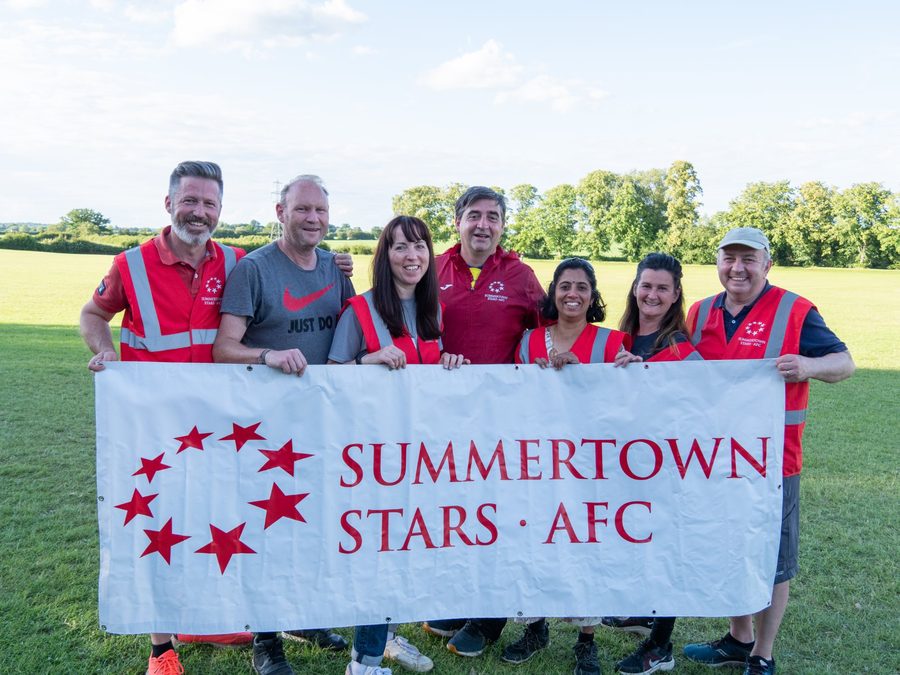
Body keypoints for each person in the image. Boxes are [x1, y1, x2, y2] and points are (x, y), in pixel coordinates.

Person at [79, 160, 253, 675]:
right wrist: (104, 351)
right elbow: (93, 314)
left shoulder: (238, 262)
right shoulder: (130, 265)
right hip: (152, 426)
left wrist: (336, 264)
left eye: (209, 203)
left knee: (214, 516)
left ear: (220, 209)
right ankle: (161, 647)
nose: (199, 212)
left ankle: (203, 620)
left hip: (218, 425)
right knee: (157, 526)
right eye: (190, 201)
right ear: (169, 203)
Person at [681, 227, 854, 675]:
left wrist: (809, 365)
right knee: (728, 547)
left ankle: (762, 652)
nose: (737, 268)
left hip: (775, 461)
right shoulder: (699, 312)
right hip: (713, 459)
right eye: (729, 258)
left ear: (767, 264)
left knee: (773, 559)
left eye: (748, 259)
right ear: (718, 263)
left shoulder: (795, 311)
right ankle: (738, 638)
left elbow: (844, 363)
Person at [212, 174, 354, 675]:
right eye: (302, 209)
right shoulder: (254, 269)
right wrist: (266, 355)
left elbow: (355, 328)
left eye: (320, 210)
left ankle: (305, 617)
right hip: (268, 428)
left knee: (314, 524)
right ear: (281, 212)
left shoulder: (335, 268)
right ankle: (265, 638)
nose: (313, 219)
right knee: (269, 527)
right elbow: (223, 348)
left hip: (322, 423)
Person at [329, 215, 467, 674]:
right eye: (401, 247)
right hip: (372, 456)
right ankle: (364, 662)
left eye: (420, 246)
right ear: (384, 256)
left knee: (405, 551)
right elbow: (330, 380)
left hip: (419, 455)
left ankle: (385, 637)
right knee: (379, 555)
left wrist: (448, 361)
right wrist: (368, 360)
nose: (412, 256)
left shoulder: (432, 311)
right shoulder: (360, 310)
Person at [422, 186, 545, 657]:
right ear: (457, 221)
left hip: (502, 420)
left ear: (502, 225)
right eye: (474, 215)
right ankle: (465, 600)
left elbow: (550, 332)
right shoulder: (432, 268)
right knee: (457, 512)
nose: (483, 225)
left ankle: (492, 619)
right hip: (443, 418)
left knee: (500, 514)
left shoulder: (520, 275)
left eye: (493, 216)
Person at [503, 257, 628, 675]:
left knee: (587, 546)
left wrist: (589, 376)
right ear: (553, 293)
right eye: (565, 286)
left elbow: (624, 404)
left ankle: (586, 640)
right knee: (534, 540)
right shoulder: (529, 342)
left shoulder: (612, 343)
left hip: (590, 465)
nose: (572, 294)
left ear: (593, 296)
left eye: (581, 287)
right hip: (538, 462)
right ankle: (534, 627)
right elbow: (514, 398)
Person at [601, 252, 701, 674]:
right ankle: (643, 611)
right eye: (646, 285)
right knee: (636, 539)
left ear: (676, 294)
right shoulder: (620, 338)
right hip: (626, 462)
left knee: (665, 548)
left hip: (664, 465)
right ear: (635, 287)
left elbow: (705, 395)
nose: (653, 295)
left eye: (663, 288)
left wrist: (650, 379)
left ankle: (661, 646)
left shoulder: (678, 345)